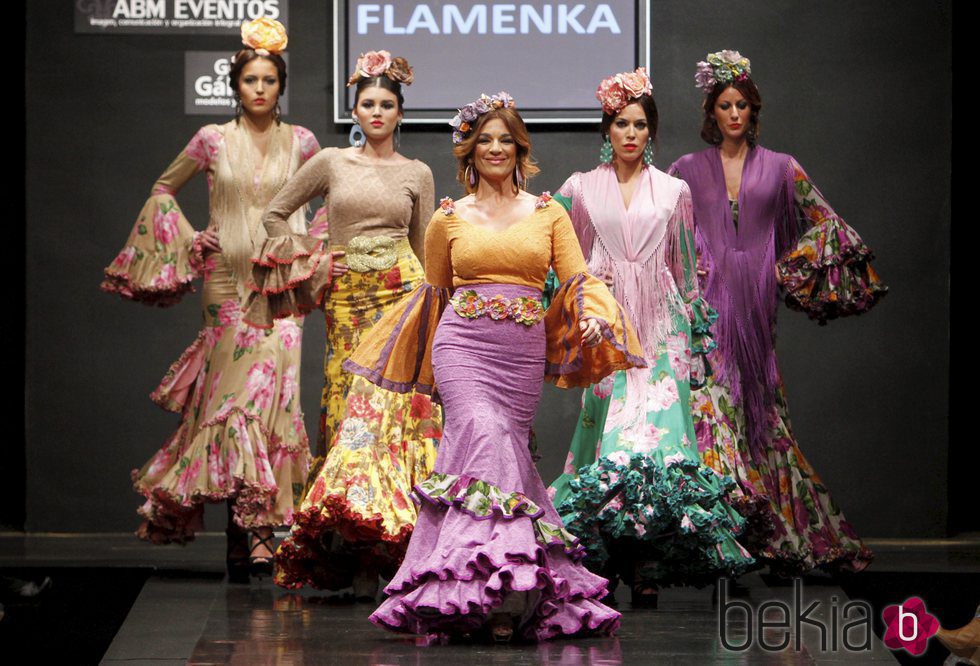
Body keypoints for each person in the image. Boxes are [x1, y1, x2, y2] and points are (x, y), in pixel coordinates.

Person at [342, 92, 644, 642]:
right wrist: (425, 371)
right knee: (484, 435)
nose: (497, 148)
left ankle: (487, 588)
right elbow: (433, 296)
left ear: (520, 148)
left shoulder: (549, 211)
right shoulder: (447, 219)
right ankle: (497, 594)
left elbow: (577, 279)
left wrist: (596, 318)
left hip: (520, 355)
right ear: (470, 150)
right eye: (486, 139)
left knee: (506, 453)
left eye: (506, 139)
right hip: (462, 347)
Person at [101, 19, 320, 580]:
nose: (260, 89)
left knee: (274, 401)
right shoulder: (211, 140)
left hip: (283, 287)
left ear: (281, 86)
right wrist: (189, 240)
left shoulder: (303, 143)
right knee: (232, 404)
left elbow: (330, 204)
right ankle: (251, 534)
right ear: (236, 85)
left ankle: (258, 529)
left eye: (270, 80)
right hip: (224, 283)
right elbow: (162, 189)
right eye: (251, 80)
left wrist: (310, 249)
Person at [668, 50, 887, 575]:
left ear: (753, 110)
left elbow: (827, 224)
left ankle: (780, 536)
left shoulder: (783, 167)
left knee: (763, 421)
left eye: (742, 104)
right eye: (725, 105)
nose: (735, 113)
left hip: (756, 311)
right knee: (714, 422)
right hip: (706, 314)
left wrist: (788, 272)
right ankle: (728, 546)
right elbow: (665, 237)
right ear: (712, 113)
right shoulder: (684, 172)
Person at [547, 68, 753, 607]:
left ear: (651, 132)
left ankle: (648, 564)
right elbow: (561, 265)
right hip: (606, 329)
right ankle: (607, 559)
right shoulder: (578, 188)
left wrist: (695, 330)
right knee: (606, 445)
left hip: (664, 330)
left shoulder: (674, 191)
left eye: (640, 124)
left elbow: (687, 267)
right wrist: (578, 309)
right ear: (606, 129)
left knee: (660, 446)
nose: (631, 133)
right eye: (621, 123)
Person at [242, 51, 441, 596]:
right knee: (347, 409)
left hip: (402, 293)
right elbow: (274, 214)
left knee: (399, 413)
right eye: (368, 103)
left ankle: (399, 545)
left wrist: (438, 310)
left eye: (387, 104)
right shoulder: (332, 162)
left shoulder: (417, 172)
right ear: (355, 109)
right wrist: (313, 257)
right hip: (349, 297)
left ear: (401, 113)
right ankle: (349, 544)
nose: (377, 112)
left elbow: (426, 246)